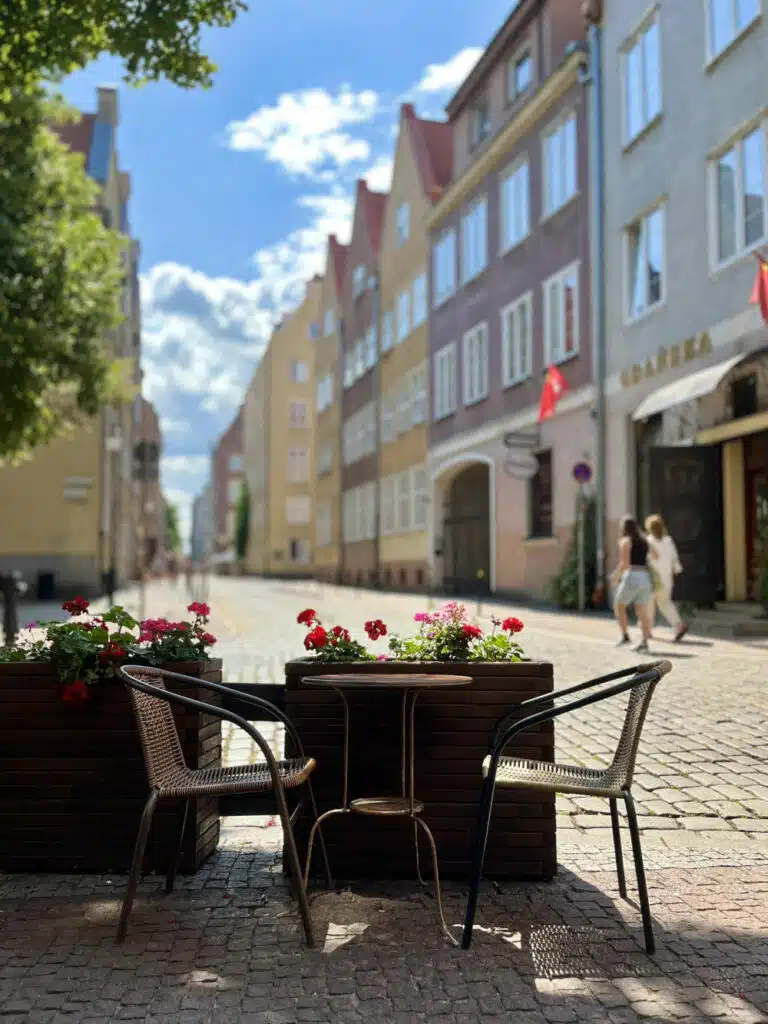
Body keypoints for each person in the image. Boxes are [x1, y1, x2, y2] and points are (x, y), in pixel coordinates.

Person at [611, 514, 655, 653]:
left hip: (632, 576)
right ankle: (644, 642)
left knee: (619, 605)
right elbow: (655, 556)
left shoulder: (625, 541)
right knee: (642, 611)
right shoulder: (645, 540)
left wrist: (615, 576)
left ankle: (625, 636)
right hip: (645, 577)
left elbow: (624, 564)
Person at [645, 514, 688, 642]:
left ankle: (647, 630)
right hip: (667, 578)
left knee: (648, 603)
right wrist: (676, 569)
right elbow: (674, 558)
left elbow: (647, 559)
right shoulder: (668, 541)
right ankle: (679, 625)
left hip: (653, 577)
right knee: (665, 603)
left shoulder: (649, 541)